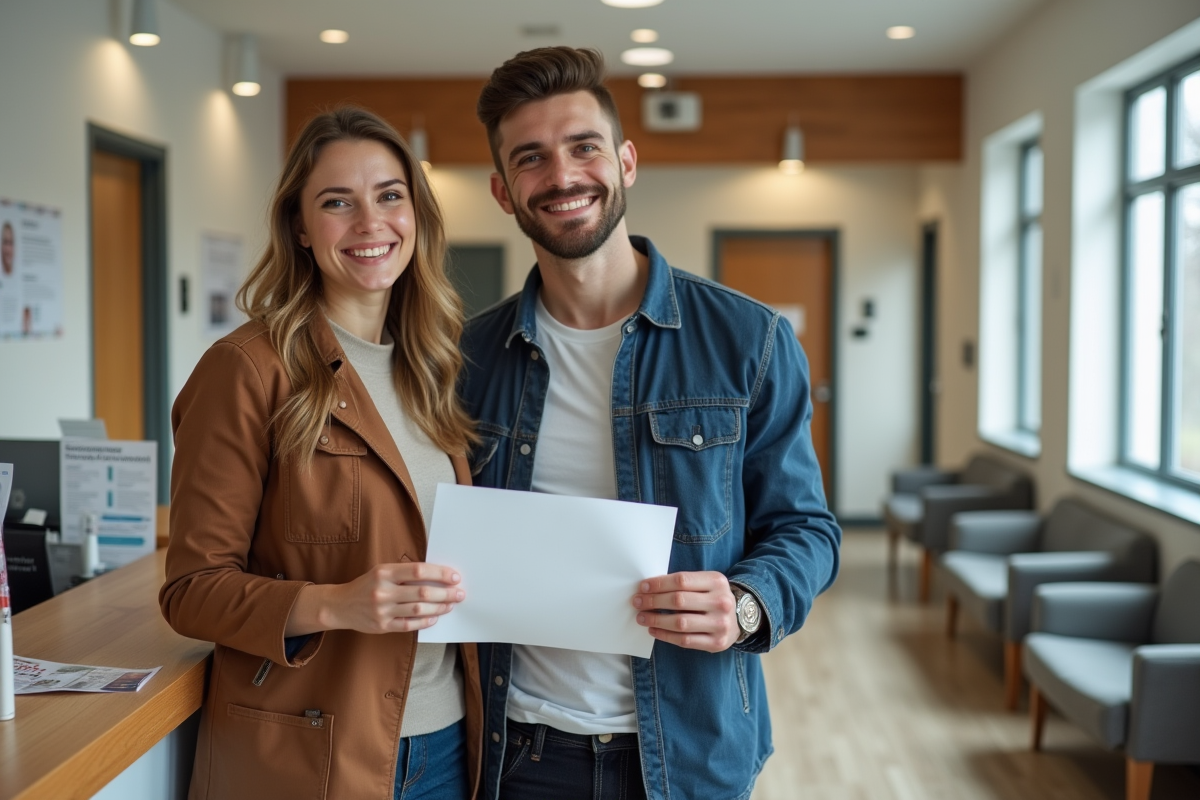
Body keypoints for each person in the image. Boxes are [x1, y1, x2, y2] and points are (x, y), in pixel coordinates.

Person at [459, 47, 842, 800]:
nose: (563, 176)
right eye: (532, 159)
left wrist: (745, 604)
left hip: (689, 754)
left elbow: (807, 529)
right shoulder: (465, 358)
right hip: (516, 753)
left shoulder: (750, 341)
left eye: (584, 147)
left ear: (626, 161)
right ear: (503, 191)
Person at [161, 107, 482, 800]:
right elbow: (191, 592)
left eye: (390, 196)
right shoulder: (246, 369)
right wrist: (335, 604)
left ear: (417, 216)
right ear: (301, 228)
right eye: (338, 202)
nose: (371, 223)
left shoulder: (432, 367)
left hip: (448, 743)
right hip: (314, 754)